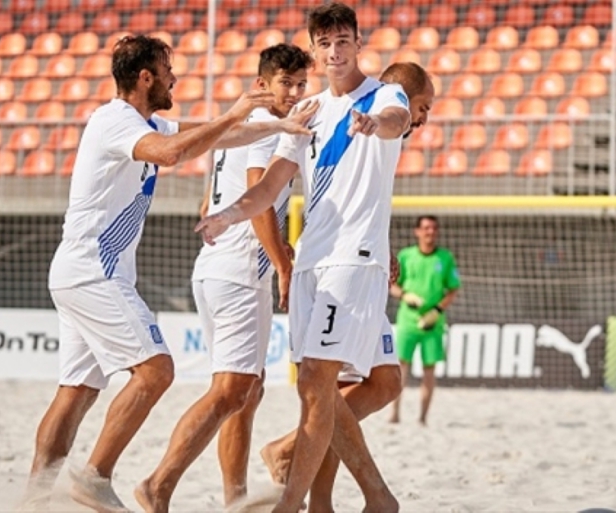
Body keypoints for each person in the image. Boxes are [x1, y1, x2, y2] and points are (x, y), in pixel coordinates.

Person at [24, 35, 315, 512]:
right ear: (146, 77)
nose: (174, 78)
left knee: (76, 390)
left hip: (81, 270)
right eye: (168, 70)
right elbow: (169, 153)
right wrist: (234, 113)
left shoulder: (146, 120)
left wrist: (266, 122)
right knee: (157, 371)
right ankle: (97, 476)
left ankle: (32, 500)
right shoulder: (117, 120)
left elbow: (218, 137)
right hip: (96, 271)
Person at [196, 3, 417, 510]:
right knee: (317, 391)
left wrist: (374, 122)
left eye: (343, 40)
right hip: (310, 265)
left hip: (353, 260)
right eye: (325, 44)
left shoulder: (384, 94)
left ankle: (289, 504)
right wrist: (228, 216)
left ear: (358, 44)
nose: (335, 51)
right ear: (315, 52)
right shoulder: (307, 112)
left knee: (321, 382)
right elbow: (270, 186)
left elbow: (397, 120)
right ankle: (371, 499)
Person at [134, 44, 314, 513]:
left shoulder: (248, 127)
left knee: (246, 392)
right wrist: (282, 262)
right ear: (262, 84)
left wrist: (275, 248)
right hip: (236, 273)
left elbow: (207, 204)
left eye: (300, 85)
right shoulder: (262, 129)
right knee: (231, 390)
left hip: (219, 269)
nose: (294, 94)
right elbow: (259, 196)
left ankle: (234, 498)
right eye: (285, 84)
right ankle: (159, 484)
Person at [259, 61, 435, 513]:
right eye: (423, 107)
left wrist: (383, 247)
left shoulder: (376, 120)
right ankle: (355, 497)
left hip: (361, 262)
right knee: (325, 385)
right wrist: (279, 256)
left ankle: (291, 454)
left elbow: (360, 196)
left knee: (385, 381)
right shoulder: (367, 109)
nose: (424, 119)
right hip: (335, 267)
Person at [389, 215, 461, 425]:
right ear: (417, 231)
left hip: (433, 323)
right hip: (408, 320)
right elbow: (392, 285)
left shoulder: (445, 258)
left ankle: (423, 417)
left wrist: (437, 310)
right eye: (426, 228)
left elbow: (453, 289)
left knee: (429, 369)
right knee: (401, 367)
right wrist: (404, 295)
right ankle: (395, 413)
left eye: (434, 228)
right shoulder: (406, 256)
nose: (430, 232)